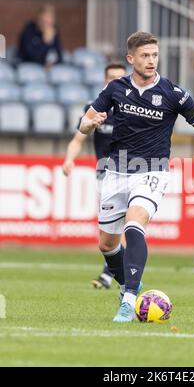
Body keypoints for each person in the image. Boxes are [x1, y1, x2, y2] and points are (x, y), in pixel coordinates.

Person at [79, 31, 194, 323]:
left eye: (155, 55)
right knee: (107, 245)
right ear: (130, 58)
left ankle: (130, 299)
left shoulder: (175, 94)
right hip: (116, 171)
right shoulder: (115, 89)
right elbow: (85, 123)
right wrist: (89, 125)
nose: (151, 61)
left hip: (152, 171)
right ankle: (127, 286)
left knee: (135, 223)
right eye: (145, 56)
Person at [62, 62, 127, 289]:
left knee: (125, 227)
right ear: (105, 81)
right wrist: (70, 159)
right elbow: (78, 137)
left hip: (131, 173)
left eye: (120, 78)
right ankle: (119, 277)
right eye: (112, 78)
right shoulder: (95, 108)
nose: (116, 82)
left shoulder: (133, 108)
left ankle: (113, 277)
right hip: (104, 177)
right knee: (114, 232)